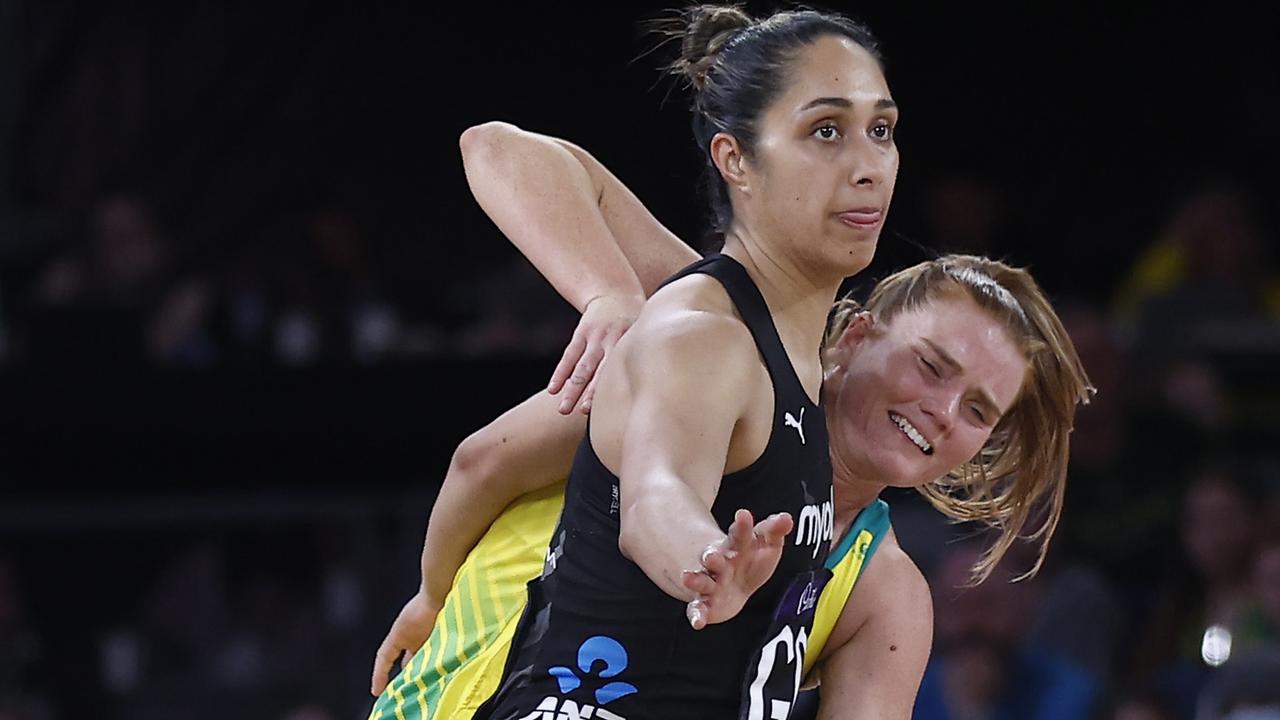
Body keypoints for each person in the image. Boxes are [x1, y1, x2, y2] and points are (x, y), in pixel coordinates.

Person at [372, 6, 1091, 718]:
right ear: (856, 337)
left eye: (976, 410)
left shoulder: (886, 590)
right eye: (931, 366)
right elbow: (497, 149)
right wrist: (610, 296)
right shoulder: (708, 341)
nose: (941, 409)